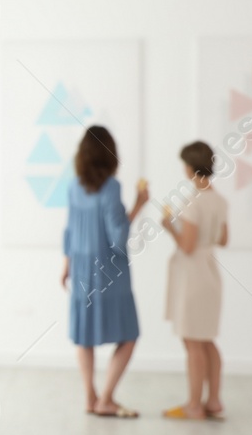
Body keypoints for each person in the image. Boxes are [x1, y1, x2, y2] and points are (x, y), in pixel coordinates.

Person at [60, 125, 148, 417]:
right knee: (129, 335)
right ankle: (106, 398)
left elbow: (70, 229)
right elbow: (118, 238)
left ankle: (90, 396)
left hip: (82, 268)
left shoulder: (74, 186)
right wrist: (138, 206)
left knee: (84, 335)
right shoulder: (112, 187)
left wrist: (66, 265)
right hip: (110, 270)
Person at [161, 140, 229, 420]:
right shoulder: (220, 200)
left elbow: (187, 246)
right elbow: (223, 239)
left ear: (190, 167)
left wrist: (169, 227)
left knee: (192, 343)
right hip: (210, 271)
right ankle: (213, 401)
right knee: (207, 340)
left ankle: (193, 405)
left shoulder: (192, 201)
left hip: (192, 276)